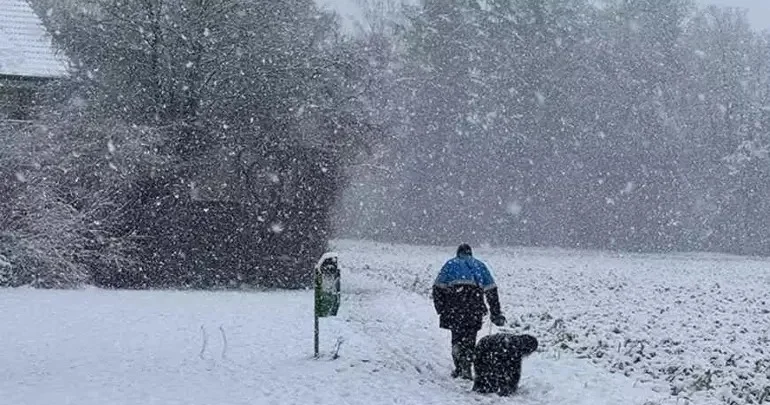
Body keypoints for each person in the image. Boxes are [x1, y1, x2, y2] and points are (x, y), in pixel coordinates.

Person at [432, 243, 506, 380]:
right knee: (470, 337)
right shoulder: (479, 265)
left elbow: (437, 288)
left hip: (454, 307)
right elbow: (491, 290)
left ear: (458, 253)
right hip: (474, 307)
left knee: (457, 336)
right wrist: (495, 313)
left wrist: (441, 308)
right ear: (470, 253)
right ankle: (467, 364)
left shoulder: (450, 264)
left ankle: (459, 365)